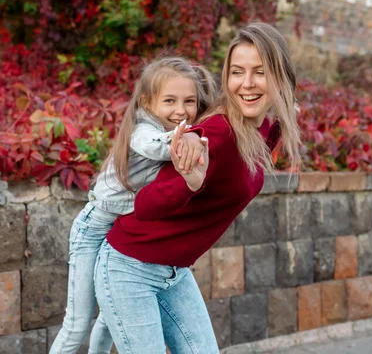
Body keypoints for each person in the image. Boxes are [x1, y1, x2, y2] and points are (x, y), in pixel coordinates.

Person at [94, 22, 302, 353]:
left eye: (260, 72)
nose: (246, 84)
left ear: (280, 76)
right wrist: (189, 184)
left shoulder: (258, 128)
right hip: (130, 267)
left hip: (173, 272)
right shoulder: (215, 134)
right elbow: (146, 206)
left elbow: (251, 156)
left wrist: (283, 110)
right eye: (237, 72)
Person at [49, 57, 218, 354]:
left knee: (110, 316)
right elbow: (154, 146)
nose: (180, 110)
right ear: (147, 102)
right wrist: (187, 140)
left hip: (121, 233)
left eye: (189, 101)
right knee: (77, 323)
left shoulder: (184, 127)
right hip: (94, 228)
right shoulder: (144, 129)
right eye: (170, 100)